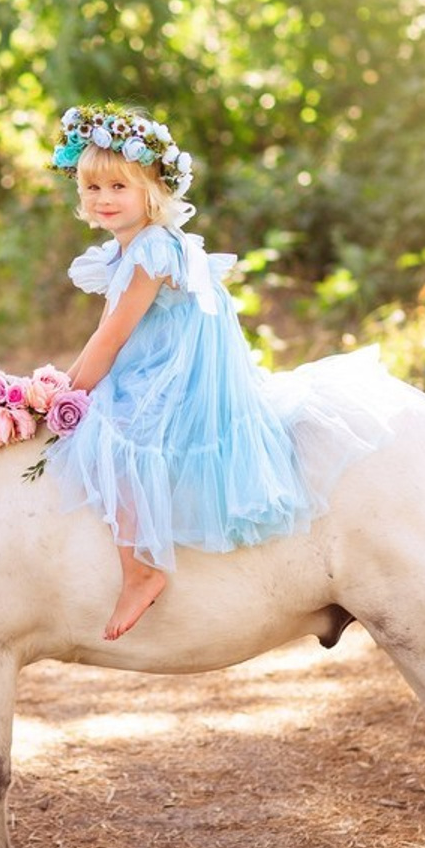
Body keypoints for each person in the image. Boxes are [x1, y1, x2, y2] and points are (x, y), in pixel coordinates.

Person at [47, 102, 356, 641]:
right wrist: (62, 386)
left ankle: (141, 570)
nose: (104, 199)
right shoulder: (129, 246)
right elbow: (107, 335)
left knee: (115, 433)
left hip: (182, 372)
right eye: (94, 188)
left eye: (119, 187)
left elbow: (112, 339)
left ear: (152, 191)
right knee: (90, 405)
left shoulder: (152, 252)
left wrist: (68, 395)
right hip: (159, 357)